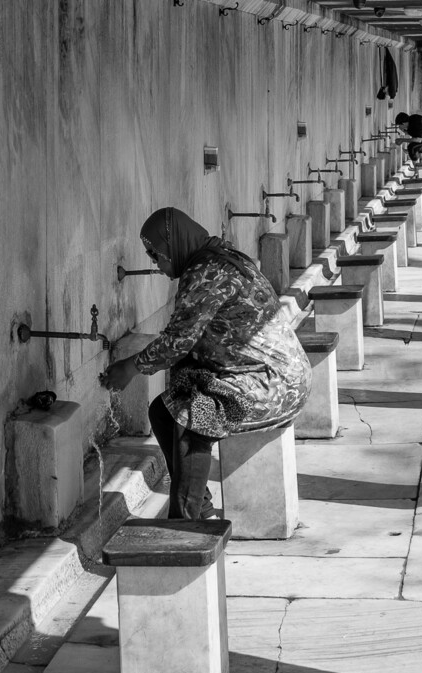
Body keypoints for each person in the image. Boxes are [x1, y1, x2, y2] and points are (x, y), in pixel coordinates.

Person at [101, 207, 312, 520]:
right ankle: (200, 507)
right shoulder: (219, 255)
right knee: (163, 410)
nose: (156, 265)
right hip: (268, 375)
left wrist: (129, 367)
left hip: (272, 385)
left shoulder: (207, 271)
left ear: (175, 246)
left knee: (192, 414)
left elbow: (178, 340)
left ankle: (186, 526)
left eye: (156, 255)